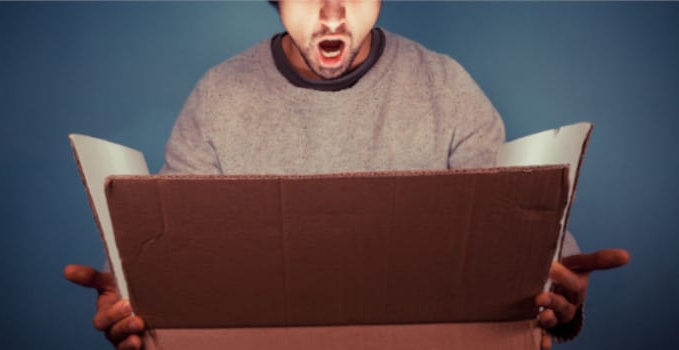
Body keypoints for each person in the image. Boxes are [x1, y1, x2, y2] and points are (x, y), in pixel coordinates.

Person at [64, 1, 630, 349]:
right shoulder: (219, 100)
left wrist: (562, 301)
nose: (333, 14)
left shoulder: (445, 88)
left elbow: (522, 240)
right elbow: (172, 256)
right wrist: (137, 307)